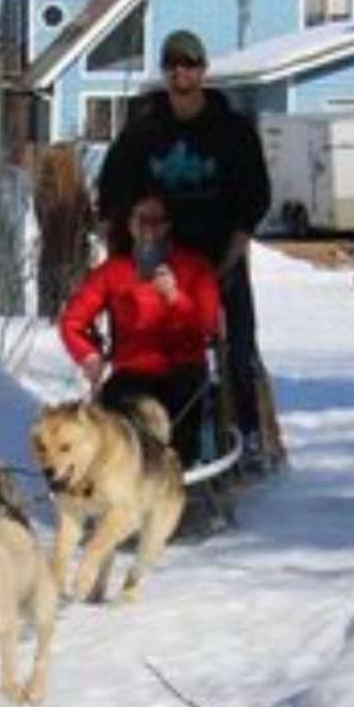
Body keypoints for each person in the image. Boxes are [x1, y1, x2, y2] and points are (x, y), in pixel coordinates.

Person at [95, 30, 272, 465]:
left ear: (203, 71)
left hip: (218, 256)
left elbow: (254, 194)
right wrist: (122, 248)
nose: (181, 73)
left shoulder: (232, 131)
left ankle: (248, 434)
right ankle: (144, 437)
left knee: (237, 349)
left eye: (189, 65)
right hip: (156, 260)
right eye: (173, 65)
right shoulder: (143, 133)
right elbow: (113, 193)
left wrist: (236, 247)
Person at [58, 191, 221, 465]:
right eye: (142, 220)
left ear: (168, 225)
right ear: (130, 224)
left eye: (157, 221)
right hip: (132, 372)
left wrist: (175, 297)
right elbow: (72, 321)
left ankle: (176, 472)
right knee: (115, 424)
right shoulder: (113, 271)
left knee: (178, 418)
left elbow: (208, 326)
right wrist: (88, 355)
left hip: (182, 369)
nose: (149, 229)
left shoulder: (195, 268)